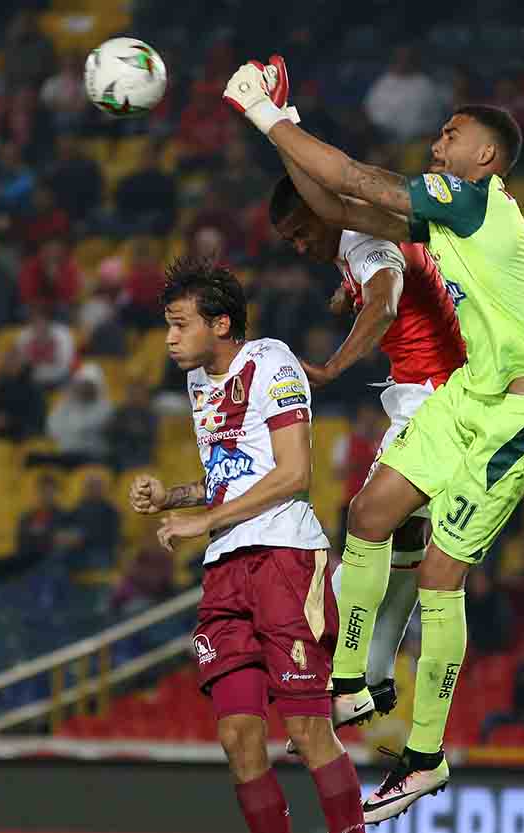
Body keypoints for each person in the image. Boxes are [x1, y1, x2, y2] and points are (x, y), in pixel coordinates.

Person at [229, 57, 524, 819]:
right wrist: (281, 131)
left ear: (485, 156)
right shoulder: (448, 215)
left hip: (518, 411)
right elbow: (337, 200)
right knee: (370, 515)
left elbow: (352, 176)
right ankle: (352, 680)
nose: (438, 139)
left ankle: (422, 757)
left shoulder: (474, 200)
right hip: (470, 393)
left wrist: (262, 115)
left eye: (453, 133)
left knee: (442, 577)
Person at [126, 259, 364, 833]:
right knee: (236, 736)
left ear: (222, 323)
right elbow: (231, 473)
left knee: (308, 734)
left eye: (181, 325)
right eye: (167, 325)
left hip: (285, 557)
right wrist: (174, 498)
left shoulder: (272, 362)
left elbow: (292, 474)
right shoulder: (196, 384)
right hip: (226, 570)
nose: (170, 338)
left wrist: (201, 519)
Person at [268, 172, 467, 729]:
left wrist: (331, 368)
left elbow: (383, 302)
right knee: (403, 539)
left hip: (435, 401)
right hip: (435, 394)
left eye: (301, 232)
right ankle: (374, 674)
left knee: (365, 521)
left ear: (323, 212)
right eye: (289, 241)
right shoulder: (349, 241)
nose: (300, 246)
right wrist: (345, 292)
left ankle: (333, 670)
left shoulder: (364, 242)